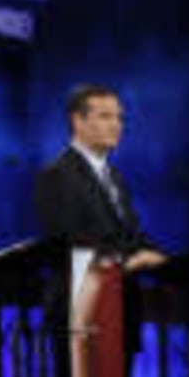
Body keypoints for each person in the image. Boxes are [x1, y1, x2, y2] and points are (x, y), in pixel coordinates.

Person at [32, 83, 166, 270]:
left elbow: (130, 234)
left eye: (120, 118)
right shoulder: (57, 175)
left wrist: (158, 257)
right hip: (83, 295)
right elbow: (69, 248)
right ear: (78, 121)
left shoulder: (114, 176)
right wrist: (126, 262)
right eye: (105, 117)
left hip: (121, 290)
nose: (117, 125)